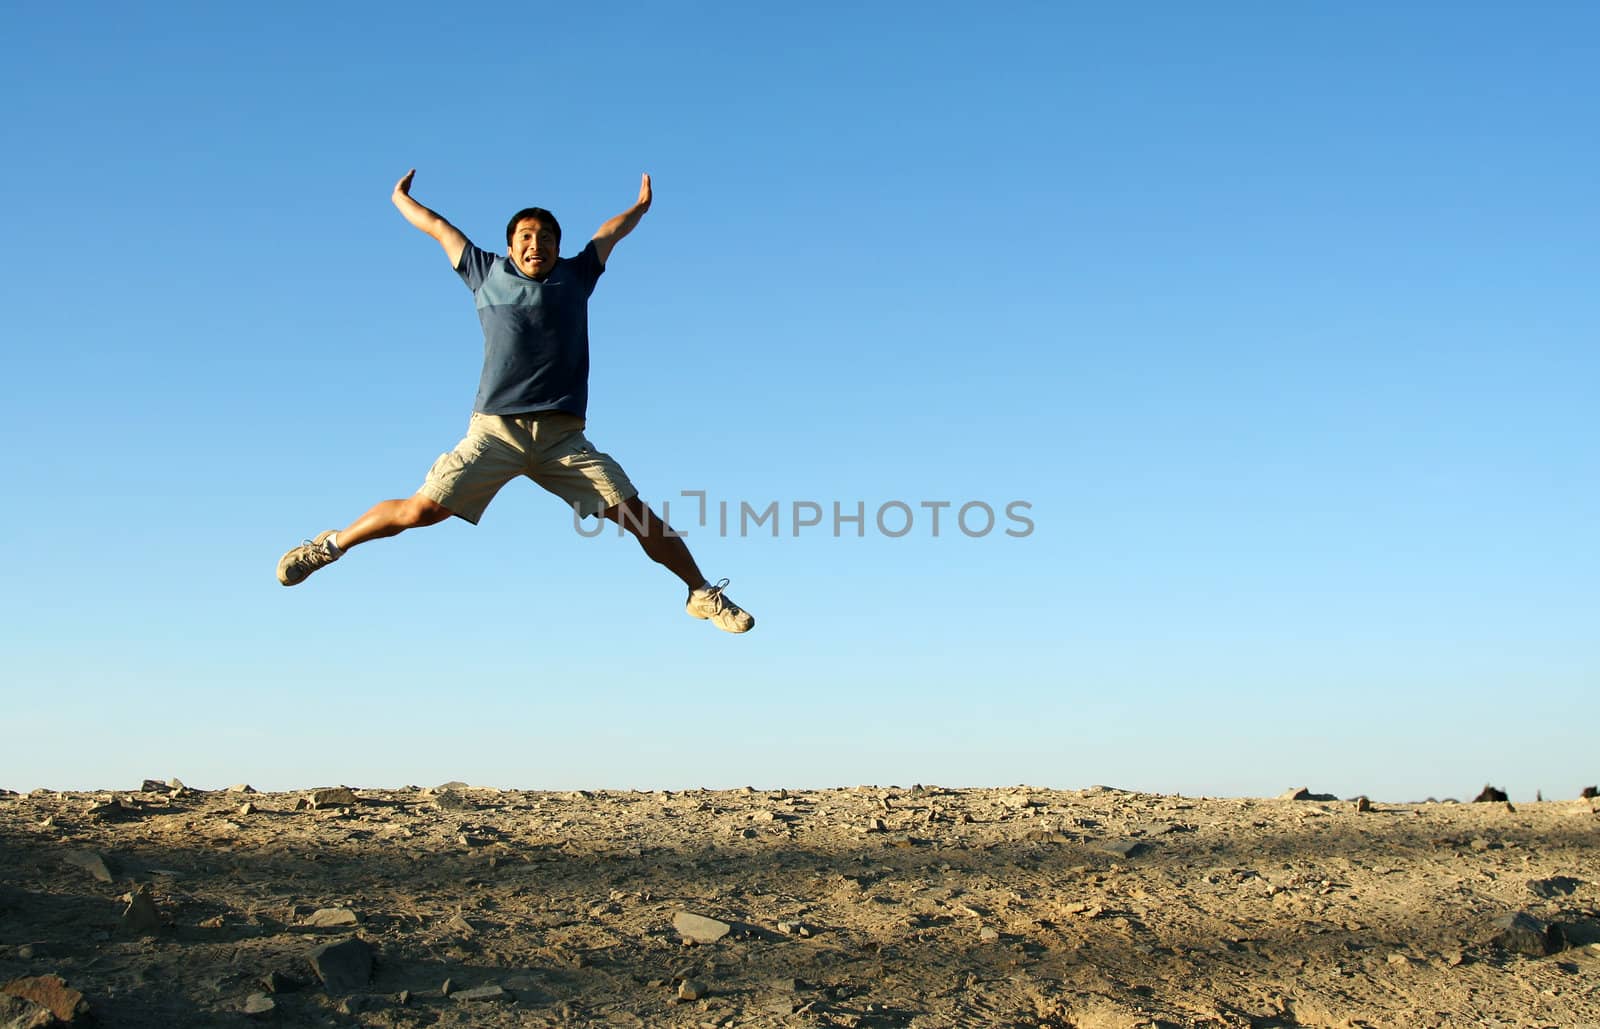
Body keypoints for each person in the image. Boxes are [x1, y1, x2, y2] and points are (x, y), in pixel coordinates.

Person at [275, 170, 754, 634]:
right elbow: (440, 228)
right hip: (496, 432)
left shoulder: (578, 275)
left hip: (563, 438)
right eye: (526, 237)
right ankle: (329, 546)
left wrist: (640, 208)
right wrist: (400, 200)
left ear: (558, 247)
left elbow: (609, 233)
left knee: (637, 515)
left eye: (546, 237)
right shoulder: (485, 271)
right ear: (510, 246)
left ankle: (700, 592)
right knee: (420, 511)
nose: (536, 245)